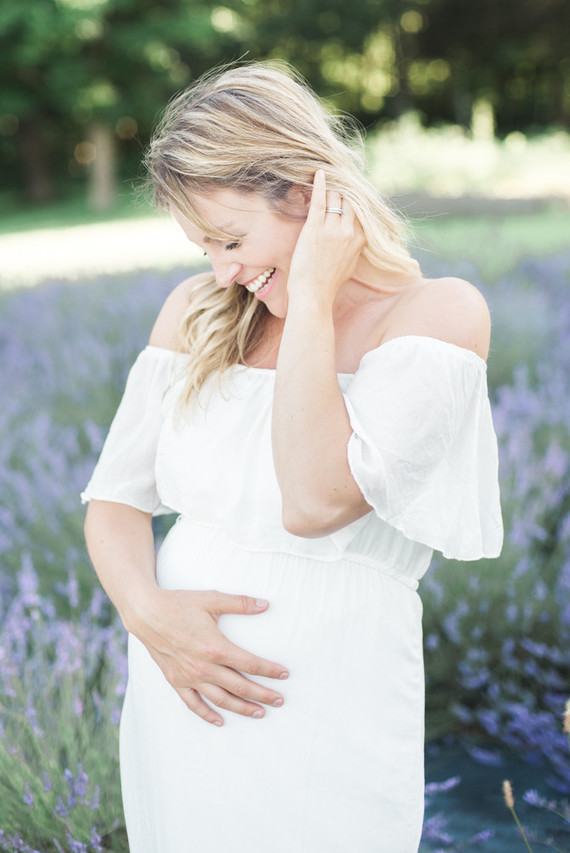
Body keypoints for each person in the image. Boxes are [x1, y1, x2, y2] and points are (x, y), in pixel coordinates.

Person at [82, 62, 503, 853]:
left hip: (326, 710)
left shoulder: (435, 315)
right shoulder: (198, 310)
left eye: (231, 239)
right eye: (203, 246)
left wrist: (310, 297)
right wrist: (150, 615)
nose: (221, 271)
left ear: (306, 198)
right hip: (182, 694)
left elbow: (312, 501)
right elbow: (115, 498)